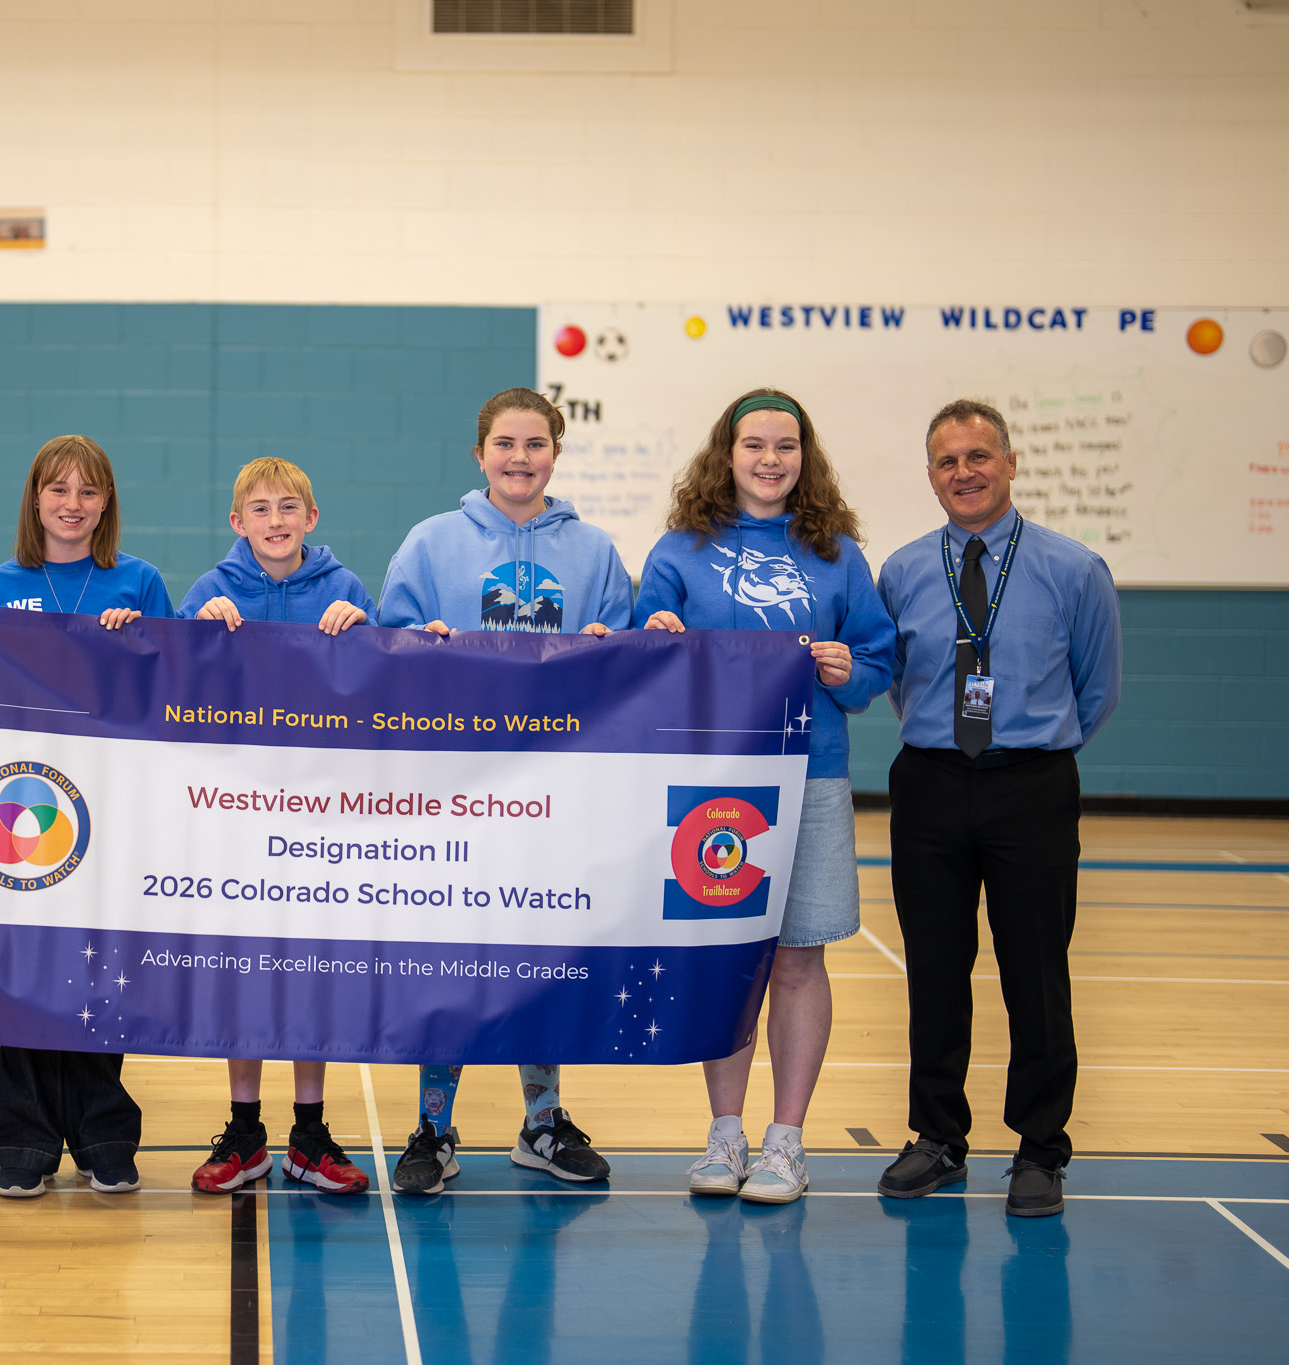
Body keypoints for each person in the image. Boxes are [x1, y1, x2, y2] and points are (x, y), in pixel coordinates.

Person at [635, 388, 897, 1204]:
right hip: (712, 779)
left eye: (787, 446)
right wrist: (659, 640)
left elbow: (879, 656)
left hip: (811, 772)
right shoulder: (680, 549)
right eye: (755, 445)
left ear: (805, 456)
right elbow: (646, 642)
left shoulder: (837, 551)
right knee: (727, 954)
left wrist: (852, 669)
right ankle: (724, 1133)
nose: (771, 459)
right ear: (728, 451)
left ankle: (787, 1139)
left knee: (796, 955)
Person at [377, 386, 633, 1196]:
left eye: (535, 444)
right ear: (479, 453)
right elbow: (386, 649)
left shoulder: (593, 552)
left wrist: (610, 647)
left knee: (542, 956)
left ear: (556, 452)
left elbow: (630, 664)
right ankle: (433, 1124)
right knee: (445, 958)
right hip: (455, 786)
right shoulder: (430, 543)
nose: (520, 458)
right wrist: (423, 647)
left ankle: (543, 1120)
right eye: (504, 444)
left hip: (558, 790)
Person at [874, 398, 1121, 1218]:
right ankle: (938, 1138)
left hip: (1032, 785)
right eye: (947, 461)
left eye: (979, 456)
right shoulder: (905, 570)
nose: (964, 473)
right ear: (932, 474)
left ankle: (1041, 1149)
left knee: (1036, 974)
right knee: (935, 972)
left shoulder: (1073, 568)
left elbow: (1097, 686)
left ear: (1010, 463)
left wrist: (1035, 747)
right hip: (932, 782)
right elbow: (896, 679)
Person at [0, 433, 174, 1198]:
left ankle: (105, 1132)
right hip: (23, 811)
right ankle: (26, 1139)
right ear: (35, 498)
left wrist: (140, 644)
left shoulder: (139, 582)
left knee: (100, 972)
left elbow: (168, 693)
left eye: (88, 491)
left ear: (107, 501)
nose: (73, 504)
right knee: (26, 971)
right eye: (59, 489)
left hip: (112, 811)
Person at [178, 456, 376, 1195]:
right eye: (259, 509)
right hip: (236, 818)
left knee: (311, 971)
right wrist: (193, 636)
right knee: (246, 970)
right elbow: (173, 693)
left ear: (312, 517)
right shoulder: (210, 591)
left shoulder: (346, 588)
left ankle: (310, 1130)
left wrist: (363, 630)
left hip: (321, 817)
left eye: (289, 506)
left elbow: (384, 687)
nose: (275, 520)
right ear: (237, 522)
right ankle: (245, 1128)